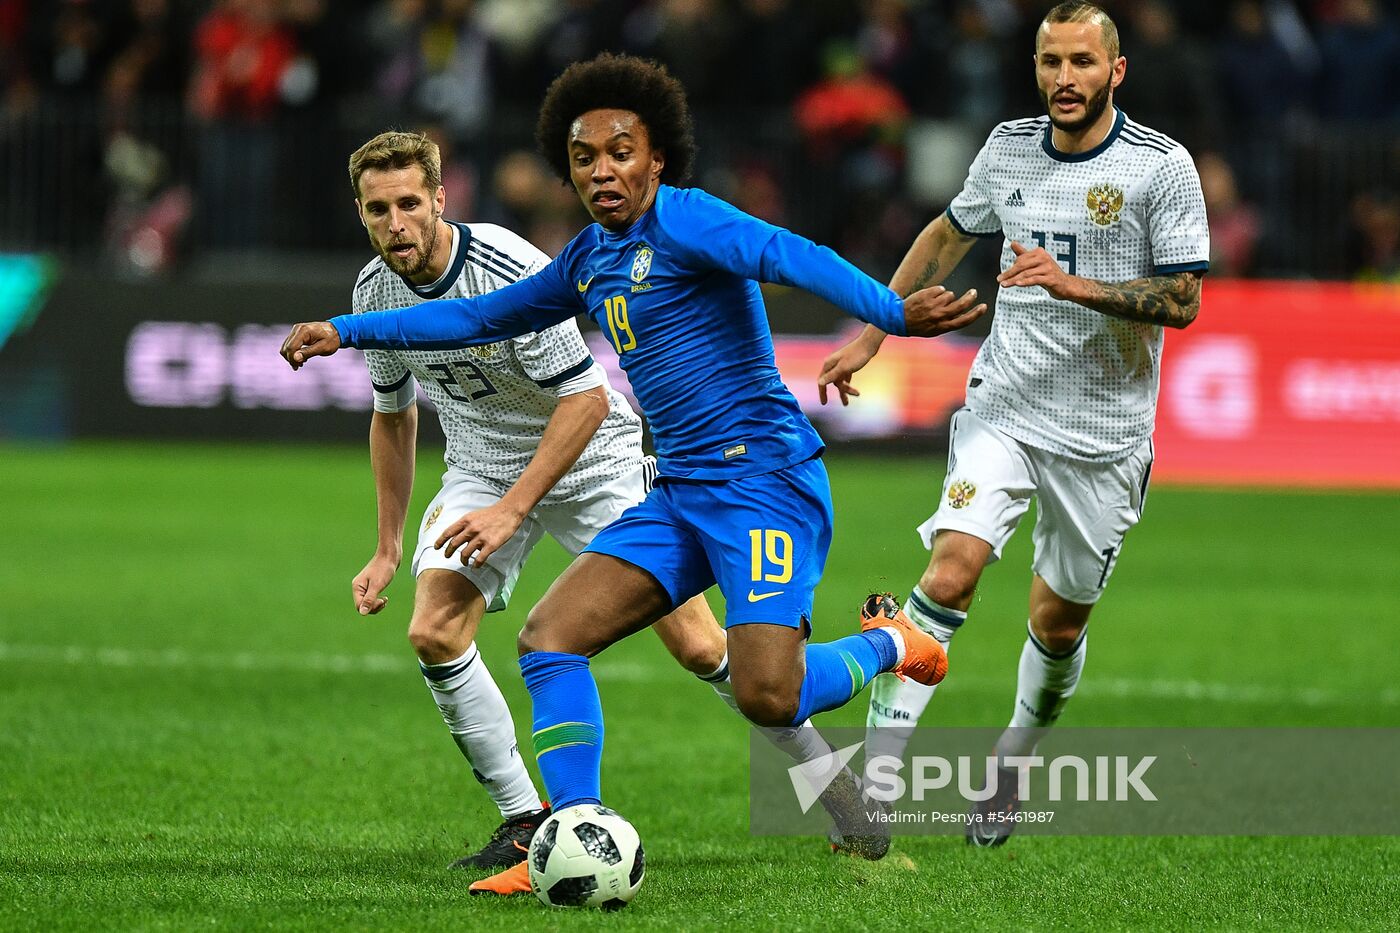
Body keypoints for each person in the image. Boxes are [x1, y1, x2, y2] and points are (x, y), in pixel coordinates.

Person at [283, 54, 984, 894]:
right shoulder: (587, 256)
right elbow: (472, 315)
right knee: (549, 638)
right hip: (681, 492)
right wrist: (348, 329)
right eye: (584, 158)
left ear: (656, 158)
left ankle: (893, 641)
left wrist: (891, 311)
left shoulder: (690, 221)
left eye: (621, 151)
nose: (602, 170)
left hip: (761, 482)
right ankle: (565, 834)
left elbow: (788, 252)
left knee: (769, 694)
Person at [338, 129, 843, 877]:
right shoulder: (372, 294)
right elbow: (394, 413)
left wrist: (514, 508)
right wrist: (387, 545)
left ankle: (842, 795)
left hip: (589, 457)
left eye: (410, 203)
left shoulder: (505, 265)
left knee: (704, 649)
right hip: (484, 468)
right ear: (361, 212)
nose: (396, 223)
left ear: (441, 199)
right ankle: (525, 822)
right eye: (378, 209)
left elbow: (583, 400)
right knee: (435, 629)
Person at [818, 1, 1208, 847]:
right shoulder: (1007, 147)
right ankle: (876, 782)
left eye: (1080, 62)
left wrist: (1078, 287)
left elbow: (1184, 299)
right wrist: (872, 328)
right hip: (1005, 405)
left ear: (1116, 70)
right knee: (952, 570)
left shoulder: (1160, 168)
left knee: (1057, 623)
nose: (1063, 79)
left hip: (1105, 434)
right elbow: (946, 233)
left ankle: (1014, 763)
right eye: (1049, 62)